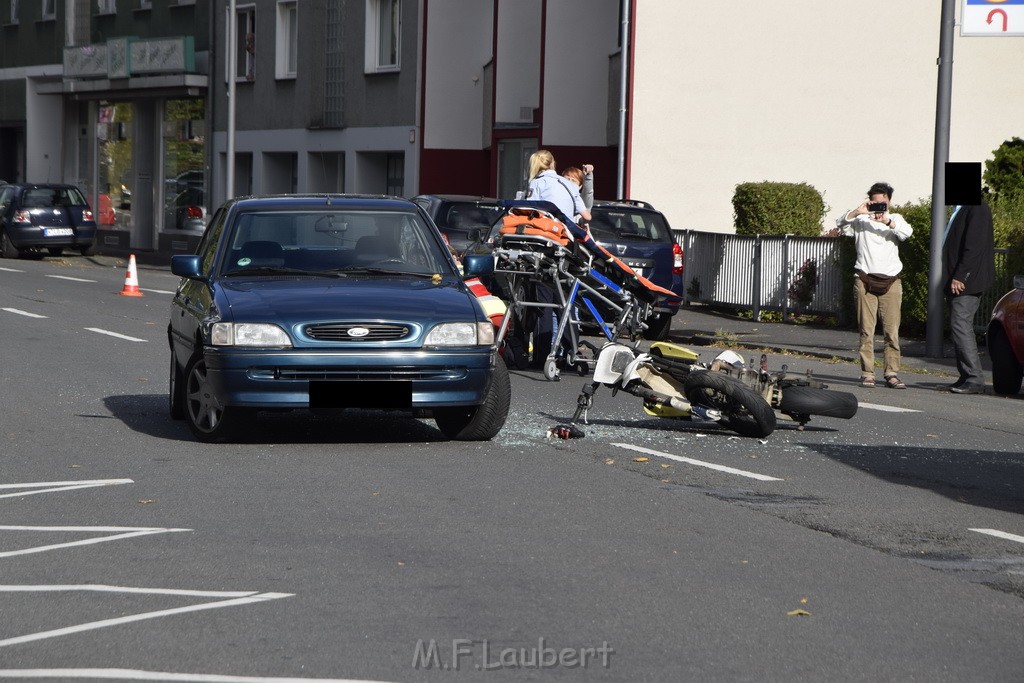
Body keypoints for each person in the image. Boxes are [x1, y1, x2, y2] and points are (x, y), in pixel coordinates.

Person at [827, 182, 913, 389]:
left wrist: (887, 221)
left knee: (892, 331)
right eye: (874, 203)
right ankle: (868, 373)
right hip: (865, 280)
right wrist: (858, 211)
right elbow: (841, 224)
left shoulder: (896, 219)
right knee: (866, 331)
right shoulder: (860, 220)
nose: (878, 207)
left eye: (882, 203)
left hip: (891, 281)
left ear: (889, 202)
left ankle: (891, 373)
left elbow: (907, 233)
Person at [942, 201, 995, 394]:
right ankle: (966, 376)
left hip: (967, 281)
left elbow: (974, 245)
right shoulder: (960, 209)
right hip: (958, 279)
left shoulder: (976, 207)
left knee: (960, 324)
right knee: (958, 325)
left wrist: (961, 275)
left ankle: (974, 378)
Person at [526, 150, 591, 224]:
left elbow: (530, 208)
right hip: (566, 230)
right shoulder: (570, 184)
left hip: (546, 228)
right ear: (552, 163)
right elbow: (587, 217)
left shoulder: (536, 182)